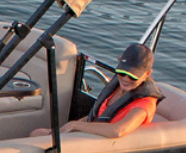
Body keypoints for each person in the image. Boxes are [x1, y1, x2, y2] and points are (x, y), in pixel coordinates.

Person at [33, 42, 164, 140]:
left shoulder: (145, 104)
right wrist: (67, 128)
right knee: (38, 133)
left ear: (147, 74)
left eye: (133, 76)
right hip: (91, 135)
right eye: (122, 72)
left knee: (38, 139)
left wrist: (74, 125)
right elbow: (96, 117)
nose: (125, 79)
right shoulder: (117, 88)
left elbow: (118, 130)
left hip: (103, 145)